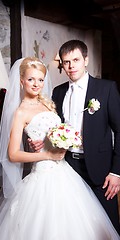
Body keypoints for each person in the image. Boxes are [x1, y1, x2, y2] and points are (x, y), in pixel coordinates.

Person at [0, 56, 120, 240]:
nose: (36, 84)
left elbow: (54, 133)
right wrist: (46, 154)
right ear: (21, 81)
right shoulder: (20, 112)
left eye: (40, 79)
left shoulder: (47, 103)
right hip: (42, 175)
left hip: (65, 173)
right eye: (31, 79)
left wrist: (63, 139)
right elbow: (13, 155)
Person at [29, 39, 120, 234]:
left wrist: (116, 172)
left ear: (86, 60)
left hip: (102, 170)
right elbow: (54, 127)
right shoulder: (58, 92)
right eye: (66, 62)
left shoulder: (107, 89)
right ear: (61, 64)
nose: (71, 66)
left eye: (76, 60)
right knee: (76, 227)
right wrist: (40, 142)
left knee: (108, 228)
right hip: (68, 167)